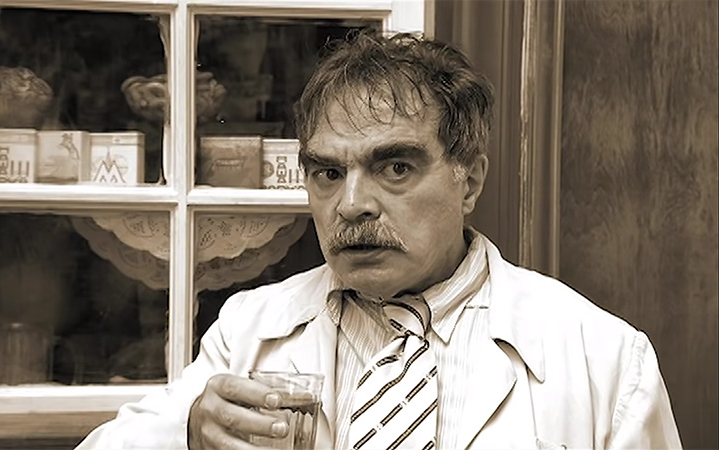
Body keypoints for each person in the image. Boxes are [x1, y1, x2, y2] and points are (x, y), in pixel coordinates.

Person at [76, 31, 682, 450]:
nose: (351, 204)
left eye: (395, 167)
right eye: (327, 172)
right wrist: (188, 431)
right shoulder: (249, 329)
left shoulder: (603, 360)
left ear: (469, 180)